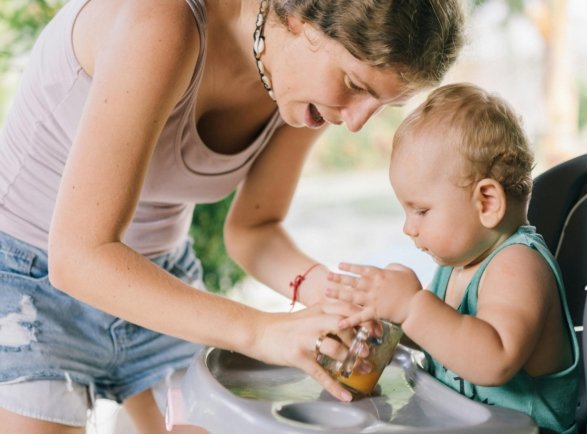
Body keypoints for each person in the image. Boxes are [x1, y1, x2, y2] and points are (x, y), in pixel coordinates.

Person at [0, 0, 465, 432]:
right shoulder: (163, 19)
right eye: (355, 85)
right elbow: (79, 256)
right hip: (25, 283)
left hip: (161, 281)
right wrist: (260, 331)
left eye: (383, 105)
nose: (358, 119)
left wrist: (334, 299)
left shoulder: (307, 89)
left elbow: (254, 230)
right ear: (299, 16)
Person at [327, 83, 580, 433]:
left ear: (487, 202)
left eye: (420, 210)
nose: (408, 228)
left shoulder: (518, 265)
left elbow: (494, 360)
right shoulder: (458, 266)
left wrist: (412, 308)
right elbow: (445, 338)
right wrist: (390, 322)